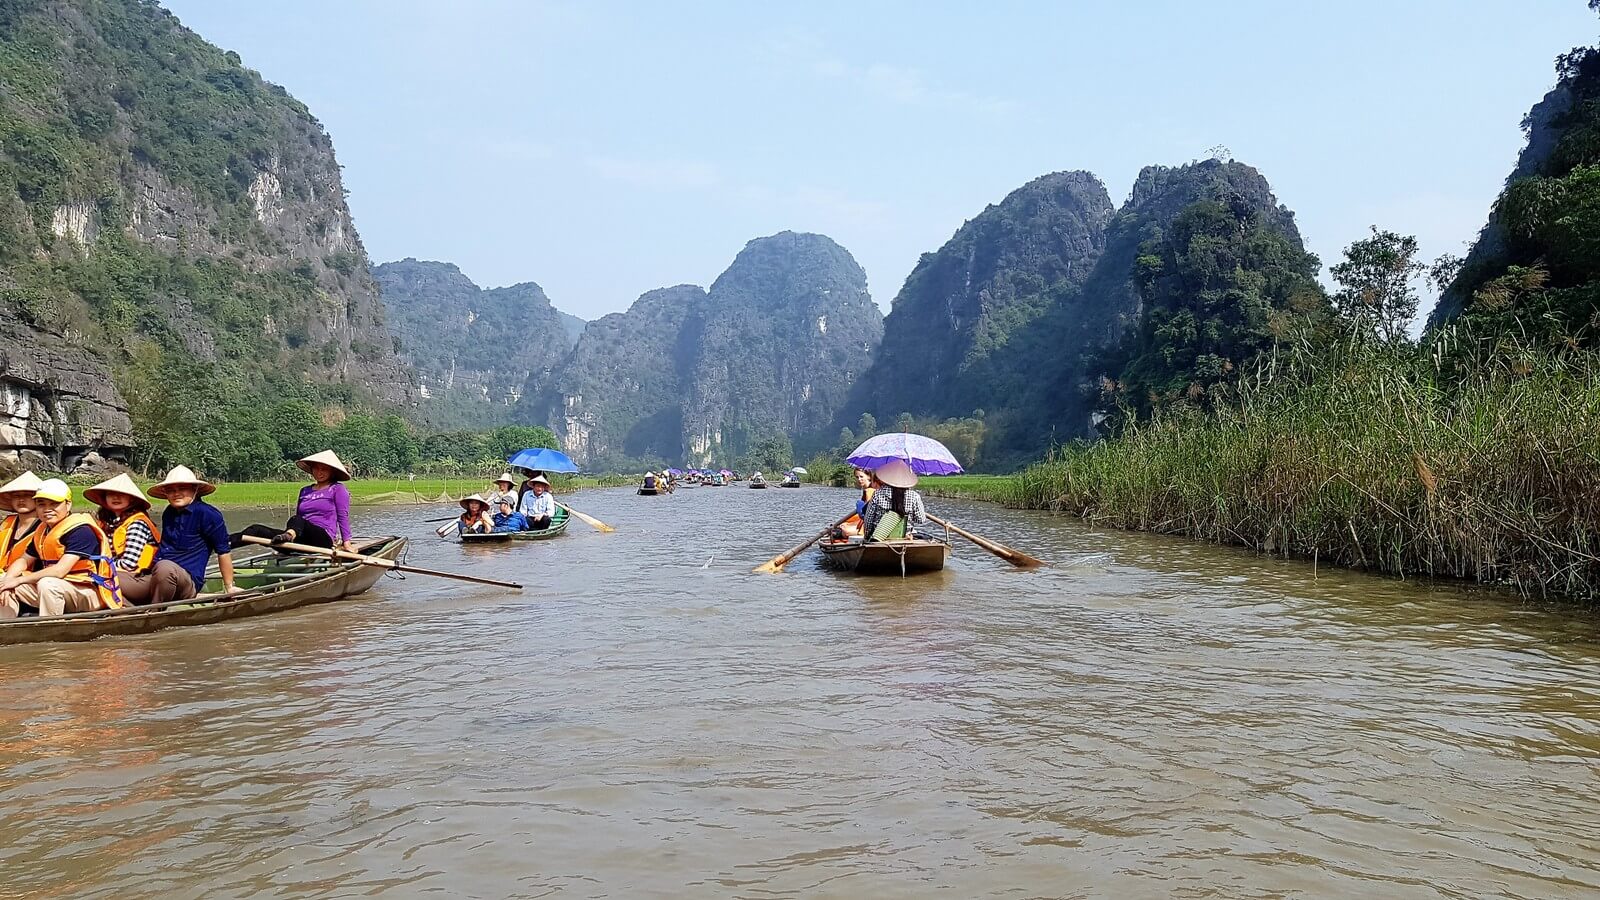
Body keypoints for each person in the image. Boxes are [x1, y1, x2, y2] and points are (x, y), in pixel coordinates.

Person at [0, 480, 125, 617]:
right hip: (60, 588)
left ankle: (51, 626)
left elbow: (60, 571)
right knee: (3, 581)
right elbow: (23, 560)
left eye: (54, 504)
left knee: (48, 584)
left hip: (90, 592)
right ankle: (6, 625)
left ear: (68, 504)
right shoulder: (43, 531)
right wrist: (7, 581)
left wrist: (18, 580)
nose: (47, 509)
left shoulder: (81, 531)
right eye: (41, 504)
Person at [146, 465, 238, 603]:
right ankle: (126, 611)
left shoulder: (208, 514)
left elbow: (223, 551)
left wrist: (229, 586)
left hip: (186, 580)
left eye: (182, 488)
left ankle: (153, 611)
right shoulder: (169, 513)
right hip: (158, 574)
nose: (176, 493)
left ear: (194, 489)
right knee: (117, 578)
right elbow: (164, 547)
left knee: (165, 568)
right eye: (170, 490)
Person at [232, 450, 354, 552]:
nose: (319, 472)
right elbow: (298, 520)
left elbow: (343, 517)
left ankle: (289, 536)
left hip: (322, 539)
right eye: (316, 469)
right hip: (300, 537)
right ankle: (225, 544)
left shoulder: (337, 489)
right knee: (256, 529)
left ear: (331, 471)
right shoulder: (305, 491)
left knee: (298, 520)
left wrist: (346, 543)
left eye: (324, 469)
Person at [86, 472, 161, 586]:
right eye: (111, 494)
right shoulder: (107, 523)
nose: (116, 497)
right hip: (118, 572)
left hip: (140, 577)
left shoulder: (137, 523)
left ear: (131, 499)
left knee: (92, 580)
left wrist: (98, 567)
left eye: (122, 494)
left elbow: (129, 564)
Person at [860, 460, 928, 542]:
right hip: (905, 537)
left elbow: (868, 520)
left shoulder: (878, 494)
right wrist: (910, 514)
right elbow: (920, 519)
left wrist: (867, 537)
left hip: (880, 538)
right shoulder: (914, 496)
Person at [0, 470, 44, 571]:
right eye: (16, 496)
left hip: (30, 576)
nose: (21, 500)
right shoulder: (6, 523)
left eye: (28, 495)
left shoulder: (46, 527)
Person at [838, 467, 876, 538]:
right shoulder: (866, 490)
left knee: (845, 530)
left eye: (861, 476)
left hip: (871, 523)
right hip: (866, 521)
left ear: (868, 476)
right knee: (843, 524)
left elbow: (868, 514)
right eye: (857, 477)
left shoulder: (870, 491)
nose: (859, 479)